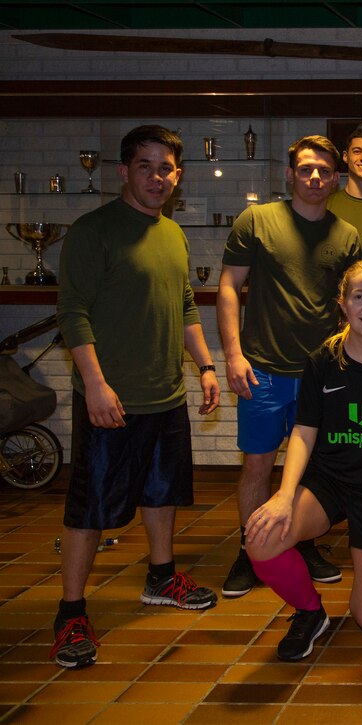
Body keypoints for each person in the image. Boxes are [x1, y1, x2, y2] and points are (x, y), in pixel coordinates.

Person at [53, 125, 220, 669]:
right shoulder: (92, 230)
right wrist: (96, 384)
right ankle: (71, 611)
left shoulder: (172, 233)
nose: (157, 177)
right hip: (110, 398)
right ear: (124, 171)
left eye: (166, 167)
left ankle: (160, 577)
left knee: (161, 491)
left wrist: (206, 365)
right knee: (90, 507)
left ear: (178, 175)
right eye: (145, 166)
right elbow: (73, 312)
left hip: (165, 393)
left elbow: (187, 309)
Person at [244, 259, 362, 661]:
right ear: (342, 304)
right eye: (358, 297)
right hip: (329, 481)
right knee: (261, 539)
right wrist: (283, 495)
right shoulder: (322, 360)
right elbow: (303, 433)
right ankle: (310, 612)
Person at [217, 135, 361, 598]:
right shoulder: (257, 220)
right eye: (306, 169)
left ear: (335, 178)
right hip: (262, 370)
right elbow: (227, 288)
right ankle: (249, 549)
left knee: (314, 469)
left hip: (321, 376)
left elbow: (351, 308)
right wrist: (233, 356)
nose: (315, 177)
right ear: (290, 174)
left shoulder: (347, 235)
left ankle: (301, 542)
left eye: (323, 170)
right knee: (258, 466)